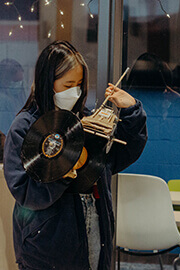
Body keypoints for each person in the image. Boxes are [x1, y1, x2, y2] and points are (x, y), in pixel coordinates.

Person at [3, 40, 147, 269]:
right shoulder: (25, 127)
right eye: (68, 84)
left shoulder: (86, 119)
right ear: (48, 82)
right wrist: (64, 166)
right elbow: (25, 191)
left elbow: (122, 153)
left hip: (95, 227)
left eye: (79, 84)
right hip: (46, 245)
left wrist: (131, 111)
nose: (75, 91)